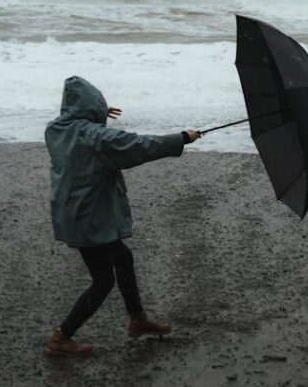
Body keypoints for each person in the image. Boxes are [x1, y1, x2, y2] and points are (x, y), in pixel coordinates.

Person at [42, 76, 200, 357]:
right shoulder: (95, 137)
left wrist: (97, 115)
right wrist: (181, 138)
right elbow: (138, 146)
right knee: (103, 281)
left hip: (75, 211)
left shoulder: (56, 130)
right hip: (89, 218)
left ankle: (137, 319)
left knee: (122, 258)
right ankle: (61, 336)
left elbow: (81, 130)